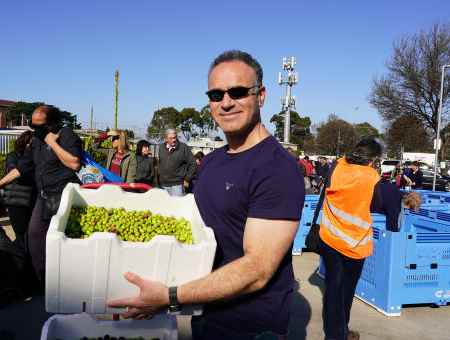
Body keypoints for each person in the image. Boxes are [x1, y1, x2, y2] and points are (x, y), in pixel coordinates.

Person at [107, 50, 305, 339]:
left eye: (237, 92)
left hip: (250, 326)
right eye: (216, 94)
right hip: (203, 310)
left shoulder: (276, 168)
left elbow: (257, 268)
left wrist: (170, 296)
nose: (226, 103)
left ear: (260, 95)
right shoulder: (211, 162)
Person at [0, 105, 82, 284]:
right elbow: (21, 169)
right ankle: (40, 280)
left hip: (65, 198)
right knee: (33, 238)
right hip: (43, 198)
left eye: (39, 126)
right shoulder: (36, 142)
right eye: (32, 125)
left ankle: (70, 279)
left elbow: (74, 164)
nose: (34, 130)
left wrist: (52, 143)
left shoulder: (66, 135)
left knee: (66, 239)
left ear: (51, 124)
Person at [318, 138, 382, 340]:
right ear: (374, 159)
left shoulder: (336, 165)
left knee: (332, 287)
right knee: (345, 290)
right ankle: (339, 334)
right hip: (354, 242)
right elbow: (375, 205)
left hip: (329, 237)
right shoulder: (371, 176)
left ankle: (336, 332)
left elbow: (328, 192)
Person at [2, 131, 37, 251]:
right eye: (32, 143)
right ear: (25, 143)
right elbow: (14, 174)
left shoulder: (38, 157)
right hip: (17, 200)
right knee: (22, 234)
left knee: (32, 235)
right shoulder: (14, 156)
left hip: (33, 200)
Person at [156, 128, 197, 197]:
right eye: (171, 138)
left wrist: (187, 179)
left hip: (177, 185)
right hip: (162, 185)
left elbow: (193, 164)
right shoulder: (161, 147)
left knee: (176, 207)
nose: (173, 140)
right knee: (162, 207)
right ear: (165, 139)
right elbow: (160, 164)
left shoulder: (184, 148)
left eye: (174, 137)